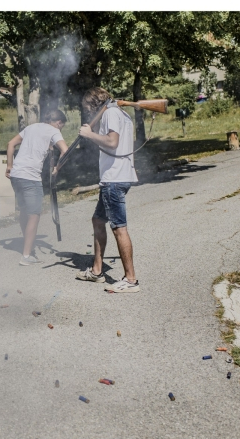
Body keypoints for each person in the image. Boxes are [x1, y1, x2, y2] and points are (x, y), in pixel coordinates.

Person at [75, 87, 140, 293]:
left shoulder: (111, 113)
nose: (88, 111)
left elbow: (112, 142)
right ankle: (96, 272)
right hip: (116, 177)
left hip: (114, 178)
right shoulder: (121, 113)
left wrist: (89, 134)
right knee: (98, 220)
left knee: (119, 228)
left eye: (88, 107)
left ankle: (131, 281)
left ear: (94, 104)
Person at [6, 110, 68, 265]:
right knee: (34, 215)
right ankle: (27, 256)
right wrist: (58, 168)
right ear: (58, 122)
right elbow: (65, 151)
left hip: (16, 175)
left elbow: (10, 144)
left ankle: (28, 245)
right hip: (30, 177)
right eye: (62, 127)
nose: (60, 130)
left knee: (24, 211)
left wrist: (9, 166)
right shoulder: (54, 131)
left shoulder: (31, 127)